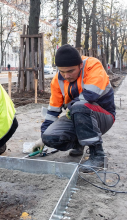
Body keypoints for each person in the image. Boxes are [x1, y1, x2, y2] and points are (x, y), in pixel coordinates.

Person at [33, 44, 116, 172]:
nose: (66, 76)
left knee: (78, 107)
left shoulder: (93, 65)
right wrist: (42, 137)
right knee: (50, 137)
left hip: (103, 116)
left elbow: (89, 96)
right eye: (62, 71)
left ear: (80, 65)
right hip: (78, 113)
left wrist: (71, 108)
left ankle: (98, 156)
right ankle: (79, 143)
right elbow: (53, 110)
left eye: (71, 71)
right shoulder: (57, 80)